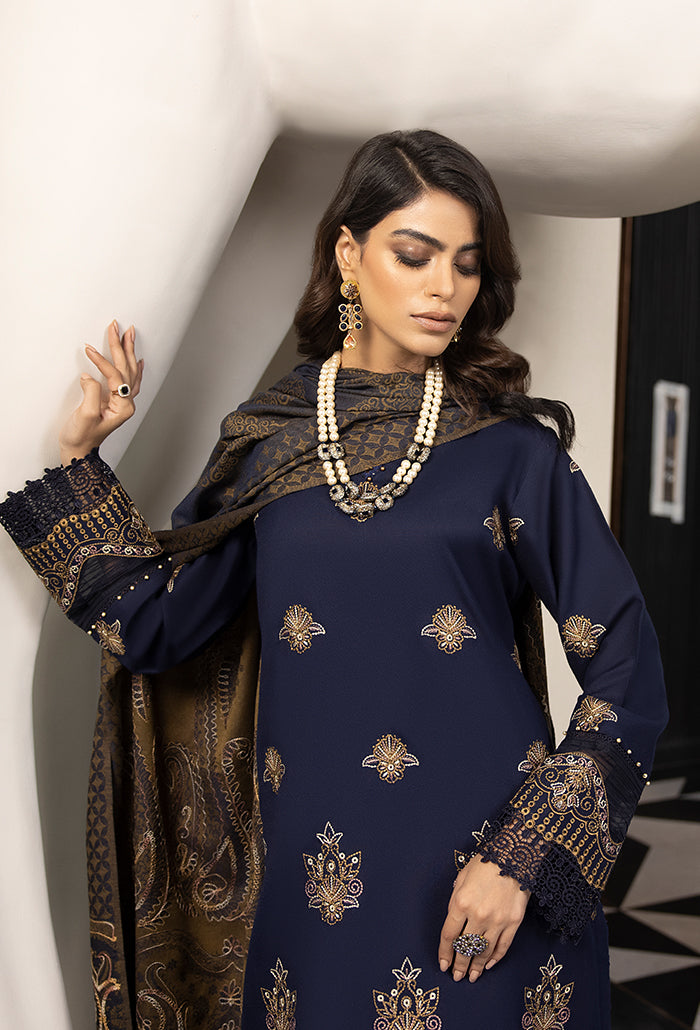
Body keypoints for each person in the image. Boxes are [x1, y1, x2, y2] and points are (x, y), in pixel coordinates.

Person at [0, 130, 667, 1030]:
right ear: (349, 255)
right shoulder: (269, 447)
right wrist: (81, 458)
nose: (444, 287)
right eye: (415, 254)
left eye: (467, 263)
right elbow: (157, 626)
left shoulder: (513, 452)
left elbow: (628, 668)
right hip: (318, 895)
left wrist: (523, 859)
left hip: (488, 889)